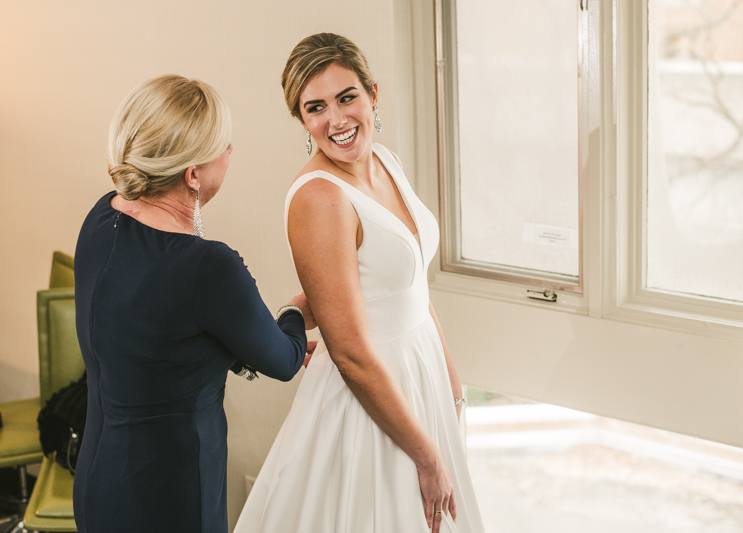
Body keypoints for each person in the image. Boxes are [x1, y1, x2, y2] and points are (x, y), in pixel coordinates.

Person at [234, 34, 484, 533]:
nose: (337, 120)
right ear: (302, 120)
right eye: (316, 108)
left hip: (421, 372)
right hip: (370, 392)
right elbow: (348, 351)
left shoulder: (385, 161)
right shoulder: (319, 198)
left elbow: (411, 285)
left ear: (373, 93)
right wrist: (427, 456)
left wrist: (453, 389)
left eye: (347, 97)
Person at [73, 75, 316, 533]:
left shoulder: (101, 216)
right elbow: (284, 360)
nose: (230, 152)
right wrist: (296, 310)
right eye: (225, 145)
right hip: (170, 492)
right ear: (193, 175)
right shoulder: (207, 266)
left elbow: (158, 335)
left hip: (98, 480)